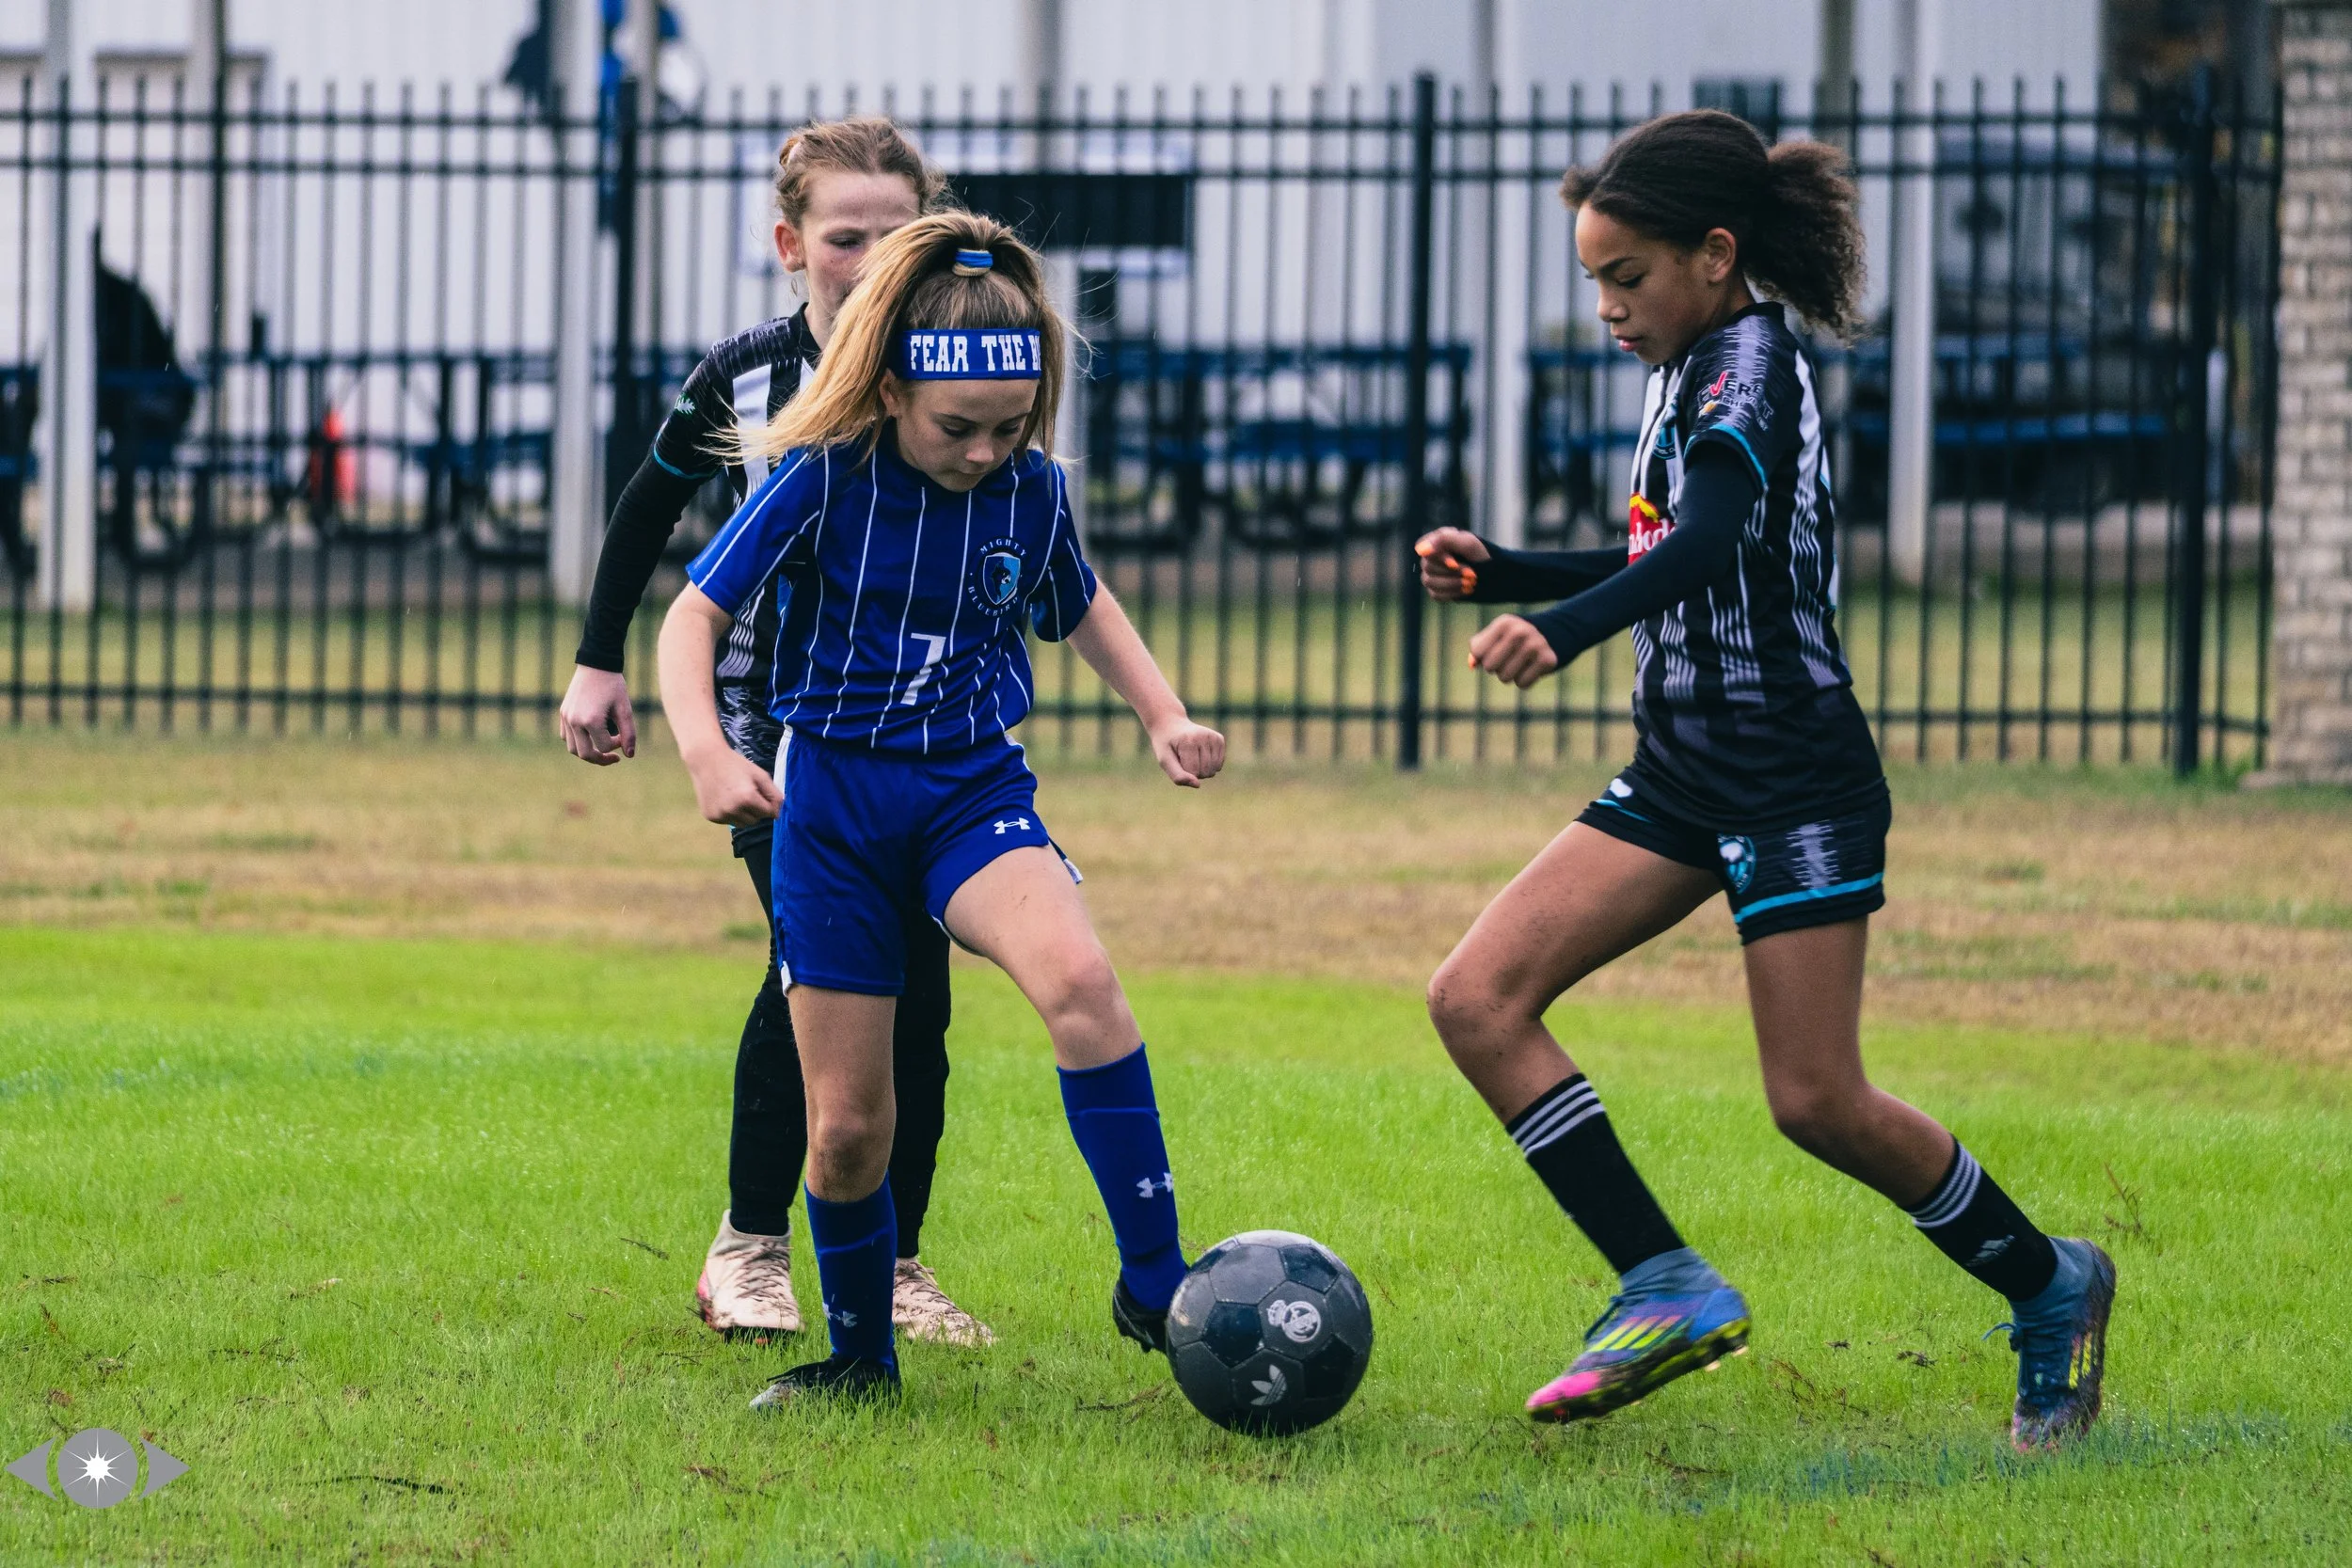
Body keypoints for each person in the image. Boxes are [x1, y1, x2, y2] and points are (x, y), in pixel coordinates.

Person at [1416, 110, 2113, 1452]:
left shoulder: (1748, 367)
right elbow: (1669, 547)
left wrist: (1561, 628)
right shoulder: (1685, 363)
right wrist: (1509, 571)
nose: (1609, 308)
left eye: (1627, 279)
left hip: (1790, 771)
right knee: (1476, 997)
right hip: (1683, 766)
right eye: (1595, 283)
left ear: (1715, 255)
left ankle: (2052, 1280)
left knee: (1817, 1101)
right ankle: (1663, 1279)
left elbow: (1719, 532)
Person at [660, 211, 1225, 1406]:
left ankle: (1156, 1280)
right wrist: (709, 750)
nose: (983, 452)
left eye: (1009, 429)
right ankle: (860, 1359)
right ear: (889, 389)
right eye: (956, 428)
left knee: (1082, 985)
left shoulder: (1031, 492)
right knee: (851, 1126)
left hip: (971, 789)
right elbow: (691, 619)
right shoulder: (821, 476)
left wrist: (1165, 714)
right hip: (833, 815)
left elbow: (1082, 606)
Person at [555, 119, 991, 1348]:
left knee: (917, 987)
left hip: (912, 736)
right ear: (792, 244)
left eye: (892, 234)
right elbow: (648, 507)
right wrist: (598, 663)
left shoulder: (956, 368)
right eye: (844, 237)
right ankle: (745, 1249)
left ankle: (900, 1263)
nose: (868, 259)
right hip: (773, 729)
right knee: (817, 963)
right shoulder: (748, 377)